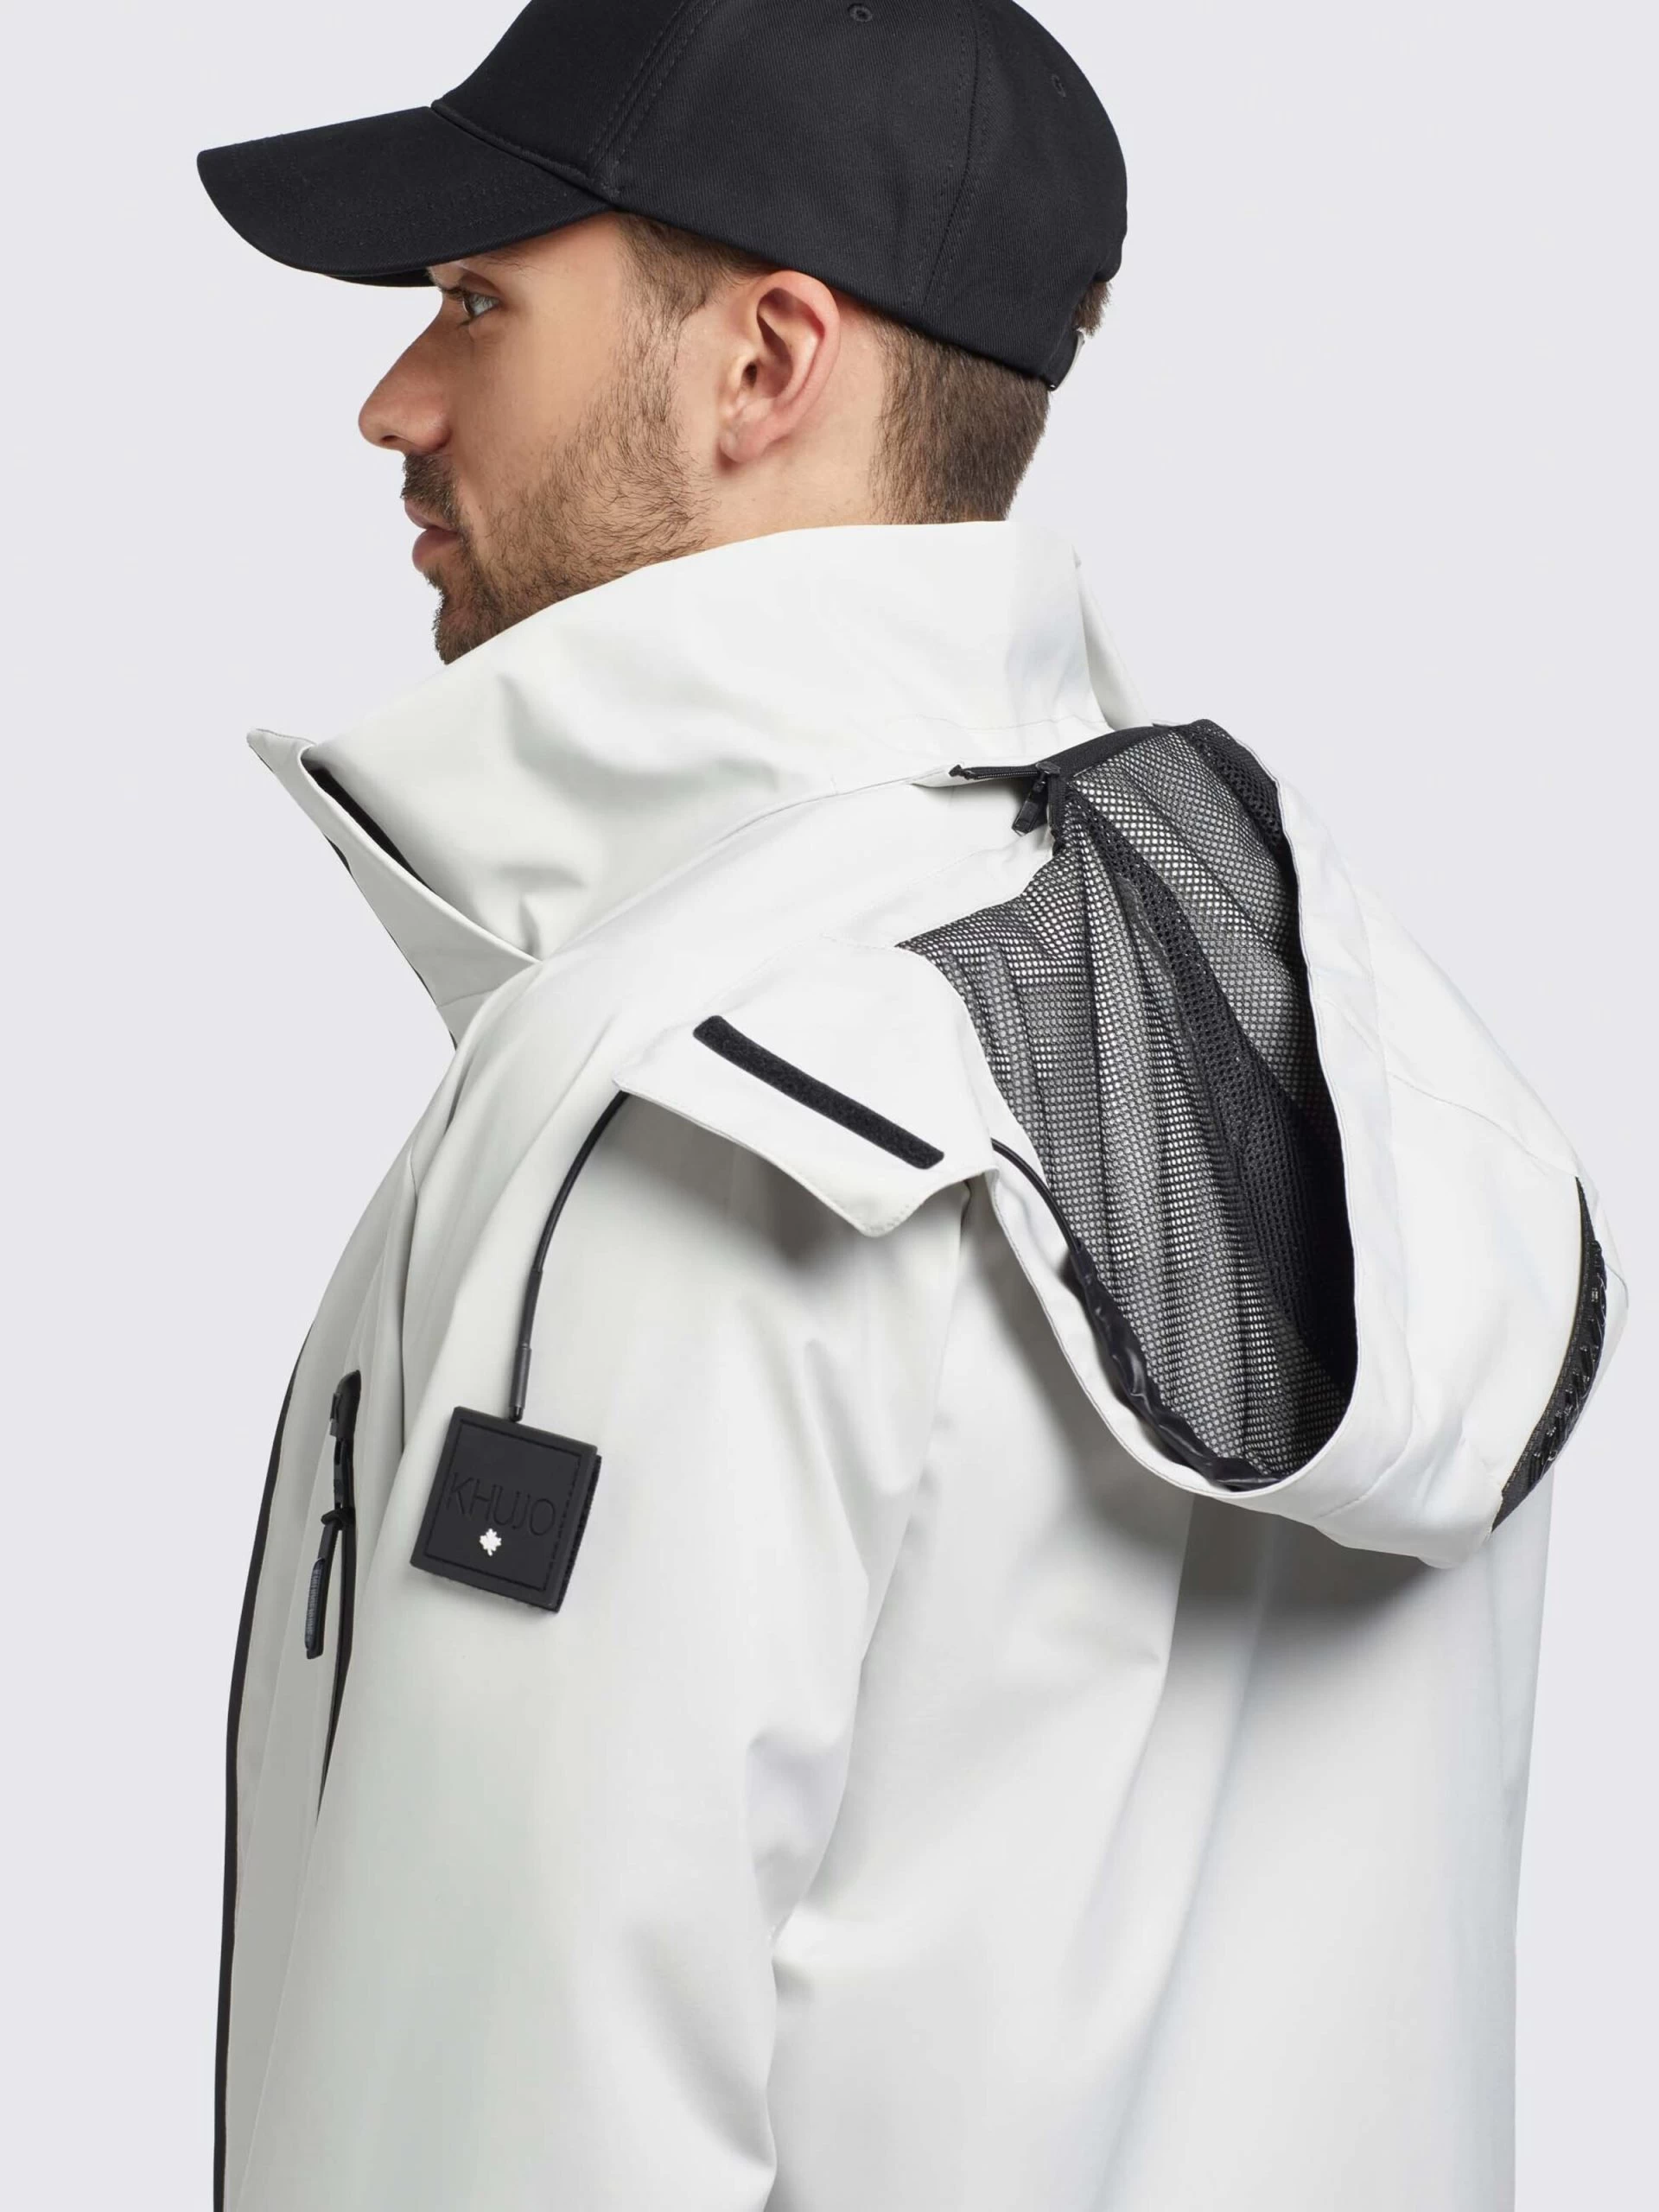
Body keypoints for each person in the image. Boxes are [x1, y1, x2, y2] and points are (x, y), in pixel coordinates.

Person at [196, 4, 1625, 2208]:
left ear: (765, 362)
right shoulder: (1376, 1071)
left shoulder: (691, 1105)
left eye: (478, 300)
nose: (394, 398)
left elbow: (507, 2113)